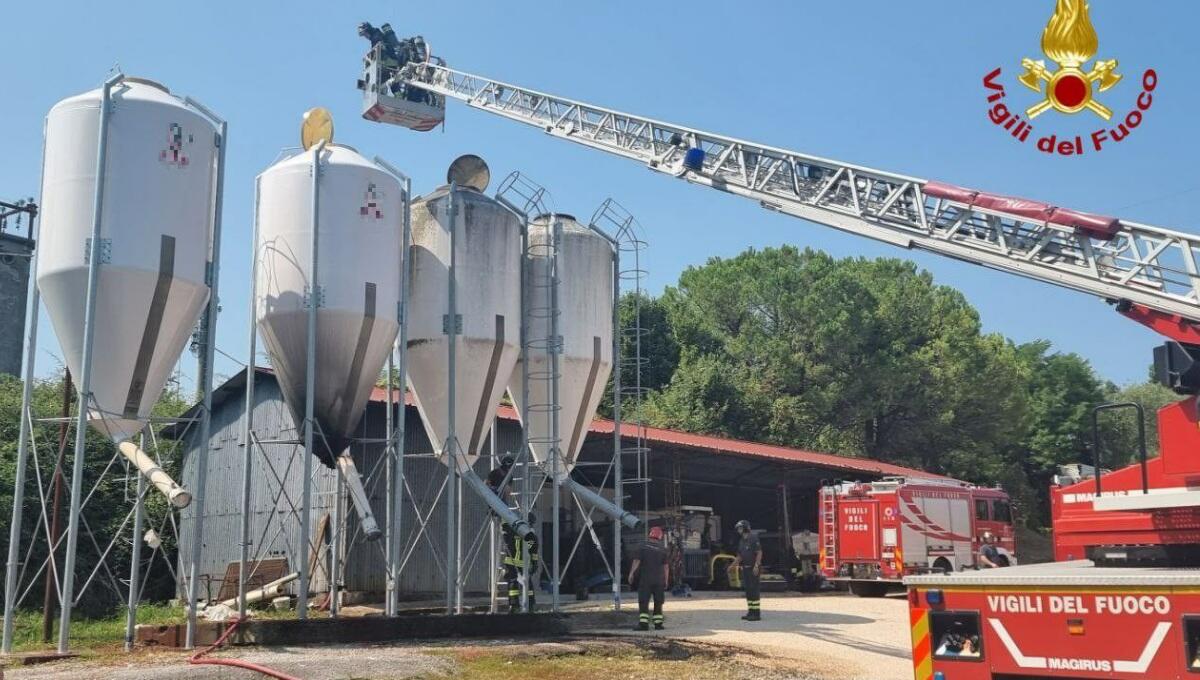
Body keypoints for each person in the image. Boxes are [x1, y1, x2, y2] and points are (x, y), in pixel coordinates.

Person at [629, 526, 669, 631]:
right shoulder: (663, 550)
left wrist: (631, 573)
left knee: (643, 602)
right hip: (659, 581)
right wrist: (666, 580)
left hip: (645, 580)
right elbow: (666, 567)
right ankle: (658, 624)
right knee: (658, 602)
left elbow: (636, 561)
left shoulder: (643, 547)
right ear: (660, 537)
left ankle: (643, 624)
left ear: (650, 535)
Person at [502, 514, 539, 613]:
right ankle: (531, 604)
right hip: (524, 563)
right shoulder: (531, 536)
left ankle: (514, 606)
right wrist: (534, 563)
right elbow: (533, 550)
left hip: (512, 562)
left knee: (513, 583)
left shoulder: (513, 530)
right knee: (528, 584)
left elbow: (504, 526)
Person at [729, 520, 762, 621]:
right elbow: (740, 556)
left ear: (745, 528)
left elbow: (759, 553)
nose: (739, 530)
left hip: (753, 568)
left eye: (740, 528)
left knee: (754, 591)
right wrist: (732, 566)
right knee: (748, 591)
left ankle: (756, 614)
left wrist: (756, 565)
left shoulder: (753, 538)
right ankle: (750, 612)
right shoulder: (741, 541)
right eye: (738, 528)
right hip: (746, 568)